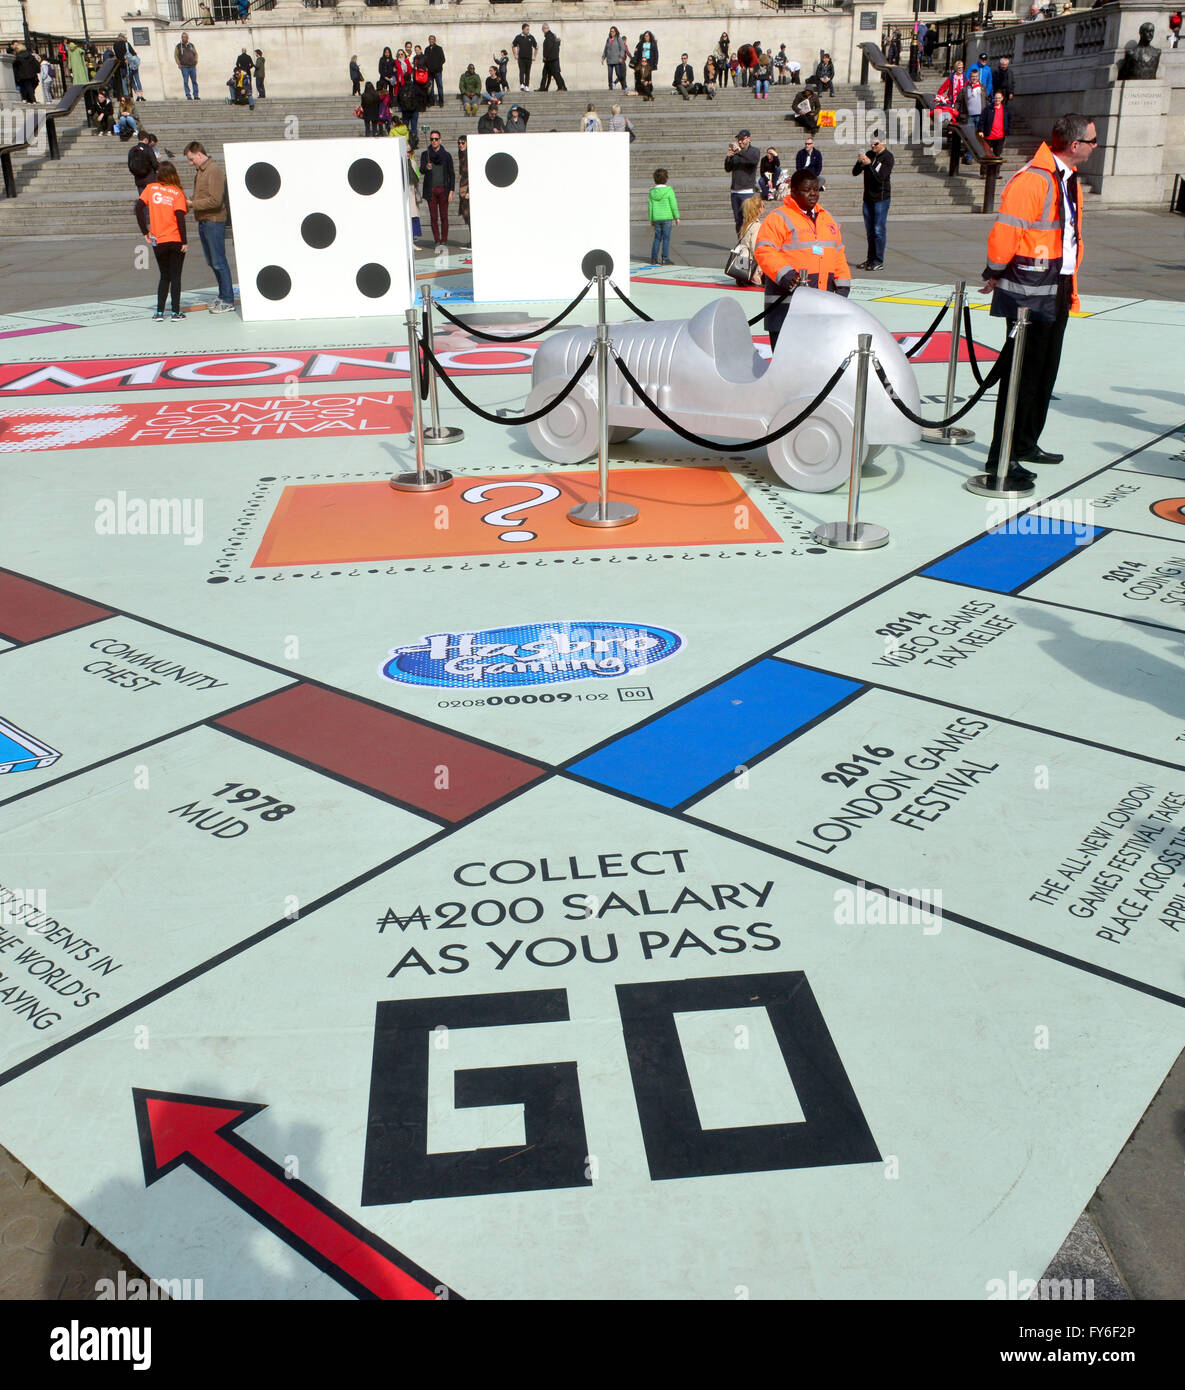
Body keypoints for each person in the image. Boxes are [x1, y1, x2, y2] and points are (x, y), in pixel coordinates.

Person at [981, 113, 1094, 482]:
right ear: (1075, 145)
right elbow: (1007, 231)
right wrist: (994, 271)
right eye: (1093, 141)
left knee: (1045, 372)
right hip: (1030, 291)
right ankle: (1003, 454)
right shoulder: (1033, 180)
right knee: (1021, 376)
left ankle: (1027, 442)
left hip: (1057, 286)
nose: (1096, 147)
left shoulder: (1068, 180)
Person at [755, 170, 851, 352]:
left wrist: (843, 283)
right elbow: (764, 250)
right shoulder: (779, 218)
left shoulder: (827, 218)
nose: (813, 193)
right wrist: (786, 275)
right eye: (807, 189)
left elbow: (838, 254)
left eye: (816, 189)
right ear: (793, 191)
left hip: (820, 308)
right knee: (787, 366)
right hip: (786, 307)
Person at [183, 141, 234, 313]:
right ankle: (223, 295)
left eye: (191, 159)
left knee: (219, 261)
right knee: (213, 262)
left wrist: (192, 204)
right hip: (204, 221)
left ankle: (228, 299)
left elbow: (215, 200)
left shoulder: (214, 171)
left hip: (214, 221)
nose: (191, 163)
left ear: (199, 153)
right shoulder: (201, 172)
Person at [136, 160, 188, 321]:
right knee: (176, 277)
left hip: (158, 240)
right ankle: (175, 312)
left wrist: (145, 231)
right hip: (175, 239)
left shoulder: (151, 189)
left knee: (164, 275)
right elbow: (180, 218)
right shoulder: (177, 192)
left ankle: (159, 312)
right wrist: (184, 241)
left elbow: (138, 208)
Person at [852, 133, 893, 271]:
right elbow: (855, 172)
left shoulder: (887, 157)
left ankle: (878, 260)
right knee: (870, 231)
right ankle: (870, 259)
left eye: (876, 143)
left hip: (881, 198)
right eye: (871, 143)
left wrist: (870, 164)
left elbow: (880, 178)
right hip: (868, 198)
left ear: (883, 142)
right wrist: (859, 162)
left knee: (878, 230)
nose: (873, 146)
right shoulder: (870, 154)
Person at [420, 130, 454, 246]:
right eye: (432, 139)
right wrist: (426, 167)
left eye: (436, 139)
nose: (433, 141)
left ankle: (444, 239)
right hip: (431, 190)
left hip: (444, 189)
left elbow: (451, 174)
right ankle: (437, 240)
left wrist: (452, 191)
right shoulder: (426, 154)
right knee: (433, 217)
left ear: (440, 140)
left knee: (444, 216)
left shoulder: (446, 155)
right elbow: (421, 170)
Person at [725, 128, 761, 233]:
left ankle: (749, 242)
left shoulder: (754, 151)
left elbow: (753, 161)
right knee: (738, 220)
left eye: (742, 139)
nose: (740, 141)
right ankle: (740, 242)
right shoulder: (736, 153)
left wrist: (740, 152)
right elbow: (728, 168)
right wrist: (728, 158)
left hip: (747, 191)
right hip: (735, 191)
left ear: (748, 139)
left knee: (749, 219)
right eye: (738, 139)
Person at [735, 193, 768, 289]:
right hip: (751, 267)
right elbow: (755, 248)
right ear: (759, 209)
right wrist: (760, 268)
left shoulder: (746, 225)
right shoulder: (757, 226)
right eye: (763, 206)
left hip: (742, 261)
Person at [649, 167, 679, 265]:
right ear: (666, 178)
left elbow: (650, 207)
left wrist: (651, 219)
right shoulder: (669, 190)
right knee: (666, 238)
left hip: (657, 217)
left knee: (657, 238)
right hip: (667, 217)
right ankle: (665, 258)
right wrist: (676, 217)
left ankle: (653, 258)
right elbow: (673, 204)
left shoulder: (652, 192)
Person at [978, 90, 1011, 160]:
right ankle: (985, 171)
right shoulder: (988, 109)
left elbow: (1009, 121)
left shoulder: (1005, 109)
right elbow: (982, 120)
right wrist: (981, 130)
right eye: (996, 98)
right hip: (989, 136)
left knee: (997, 157)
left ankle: (995, 171)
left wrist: (1007, 130)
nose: (997, 100)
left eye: (999, 98)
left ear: (1002, 98)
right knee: (986, 157)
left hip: (1000, 137)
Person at [539, 24, 567, 92]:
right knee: (546, 73)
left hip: (550, 59)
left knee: (555, 73)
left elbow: (548, 48)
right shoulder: (551, 36)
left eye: (543, 30)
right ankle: (543, 87)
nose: (542, 31)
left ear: (544, 29)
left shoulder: (549, 36)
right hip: (551, 58)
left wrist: (545, 56)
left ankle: (561, 87)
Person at [512, 23, 537, 92]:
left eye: (528, 29)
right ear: (523, 29)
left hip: (529, 58)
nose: (528, 31)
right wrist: (515, 54)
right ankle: (522, 84)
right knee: (522, 71)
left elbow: (536, 47)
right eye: (527, 29)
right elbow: (513, 45)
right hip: (521, 58)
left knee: (528, 72)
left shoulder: (531, 37)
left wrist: (534, 56)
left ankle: (527, 85)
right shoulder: (518, 37)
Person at [603, 27, 628, 91]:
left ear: (616, 32)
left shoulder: (618, 39)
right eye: (611, 31)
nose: (612, 33)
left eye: (613, 31)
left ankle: (623, 85)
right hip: (609, 59)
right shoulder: (608, 39)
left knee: (618, 74)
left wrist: (621, 57)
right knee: (610, 74)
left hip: (617, 59)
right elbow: (606, 49)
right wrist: (603, 57)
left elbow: (622, 48)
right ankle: (610, 86)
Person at [175, 33, 199, 101]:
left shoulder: (191, 45)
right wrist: (178, 63)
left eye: (185, 37)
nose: (184, 38)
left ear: (188, 38)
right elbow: (176, 55)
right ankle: (188, 95)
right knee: (186, 81)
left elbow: (195, 54)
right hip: (184, 67)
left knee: (194, 81)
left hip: (192, 66)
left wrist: (196, 61)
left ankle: (196, 95)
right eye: (183, 37)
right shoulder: (179, 46)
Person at [424, 35, 445, 108]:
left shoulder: (439, 49)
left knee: (439, 86)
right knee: (430, 88)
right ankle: (431, 101)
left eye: (432, 39)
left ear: (435, 40)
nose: (431, 41)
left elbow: (443, 59)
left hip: (437, 71)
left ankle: (441, 101)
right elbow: (425, 60)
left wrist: (437, 67)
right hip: (430, 72)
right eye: (430, 39)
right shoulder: (426, 49)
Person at [456, 135, 470, 226]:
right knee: (466, 214)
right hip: (463, 186)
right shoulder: (461, 154)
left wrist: (469, 191)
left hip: (468, 186)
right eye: (459, 143)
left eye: (463, 143)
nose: (460, 145)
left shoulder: (469, 155)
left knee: (469, 214)